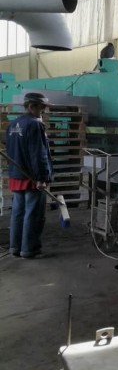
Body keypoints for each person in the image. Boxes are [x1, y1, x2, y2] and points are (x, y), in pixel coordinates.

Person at [6, 92, 54, 259]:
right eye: (42, 108)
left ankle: (15, 247)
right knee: (33, 214)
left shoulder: (12, 125)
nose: (43, 112)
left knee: (18, 213)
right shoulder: (35, 125)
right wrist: (42, 177)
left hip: (16, 175)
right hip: (32, 178)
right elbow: (38, 154)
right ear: (32, 106)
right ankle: (29, 249)